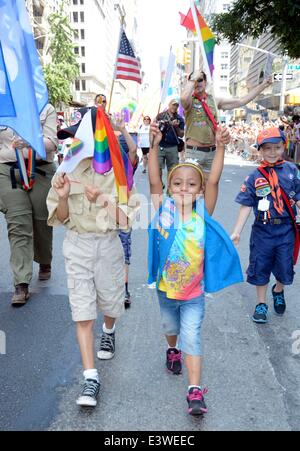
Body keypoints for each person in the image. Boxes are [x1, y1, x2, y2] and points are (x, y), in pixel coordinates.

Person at [147, 122, 243, 416]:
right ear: (170, 187)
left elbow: (214, 179)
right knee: (170, 328)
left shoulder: (203, 212)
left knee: (192, 334)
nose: (184, 188)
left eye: (191, 183)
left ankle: (194, 390)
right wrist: (153, 146)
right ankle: (172, 350)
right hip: (166, 289)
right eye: (177, 183)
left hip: (193, 293)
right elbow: (153, 180)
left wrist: (221, 145)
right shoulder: (162, 208)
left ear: (200, 190)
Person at [48, 106, 139, 407]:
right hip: (76, 247)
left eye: (78, 138)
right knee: (82, 311)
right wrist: (62, 199)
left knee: (111, 304)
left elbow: (126, 221)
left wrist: (101, 198)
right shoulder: (64, 172)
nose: (73, 145)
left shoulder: (117, 171)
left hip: (108, 245)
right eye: (71, 140)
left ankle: (109, 330)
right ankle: (91, 378)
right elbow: (60, 218)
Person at [231, 127, 300, 324]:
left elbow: (299, 197)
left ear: (283, 147)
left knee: (285, 267)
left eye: (276, 147)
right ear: (260, 150)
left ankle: (278, 290)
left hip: (286, 229)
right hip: (263, 230)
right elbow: (246, 204)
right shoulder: (254, 176)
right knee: (260, 266)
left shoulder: (292, 171)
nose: (272, 152)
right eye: (267, 148)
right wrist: (237, 232)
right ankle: (261, 303)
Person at [0, 103, 57, 306]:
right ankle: (21, 283)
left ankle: (44, 259)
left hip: (40, 169)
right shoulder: (3, 104)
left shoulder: (45, 107)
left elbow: (51, 142)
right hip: (6, 171)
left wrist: (30, 142)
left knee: (42, 220)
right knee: (19, 223)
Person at [180, 70, 273, 173]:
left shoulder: (214, 101)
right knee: (193, 187)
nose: (197, 83)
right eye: (194, 80)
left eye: (200, 80)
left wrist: (264, 85)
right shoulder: (189, 101)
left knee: (211, 186)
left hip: (211, 153)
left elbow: (241, 101)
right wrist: (193, 79)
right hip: (194, 152)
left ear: (205, 82)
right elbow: (184, 98)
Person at [156, 99, 185, 181]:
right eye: (173, 105)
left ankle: (170, 190)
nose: (175, 107)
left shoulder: (180, 119)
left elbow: (181, 134)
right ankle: (160, 184)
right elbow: (154, 129)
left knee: (173, 170)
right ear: (169, 105)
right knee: (157, 168)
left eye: (176, 105)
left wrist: (176, 127)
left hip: (172, 147)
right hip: (160, 145)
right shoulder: (160, 116)